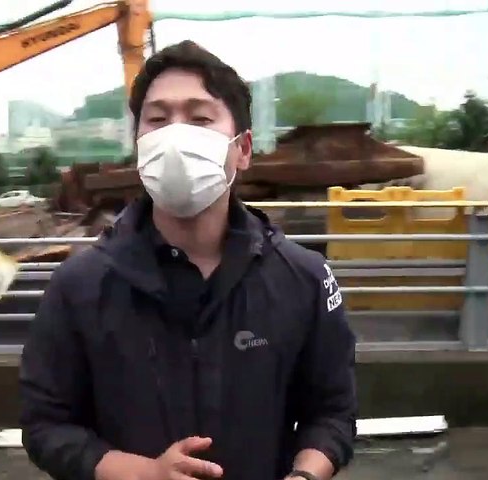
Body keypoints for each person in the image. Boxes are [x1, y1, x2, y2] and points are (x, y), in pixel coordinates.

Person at [20, 40, 357, 480]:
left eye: (200, 119)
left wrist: (305, 476)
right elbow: (46, 425)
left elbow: (332, 413)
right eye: (158, 120)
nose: (176, 138)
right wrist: (146, 474)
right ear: (140, 146)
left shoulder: (303, 278)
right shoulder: (80, 285)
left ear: (243, 149)